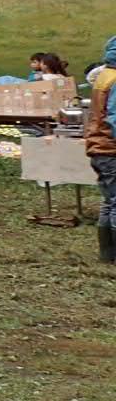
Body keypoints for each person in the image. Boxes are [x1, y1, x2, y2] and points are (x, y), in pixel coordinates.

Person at [86, 36, 116, 265]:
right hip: (111, 148)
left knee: (109, 202)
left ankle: (107, 255)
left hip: (99, 147)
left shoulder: (104, 75)